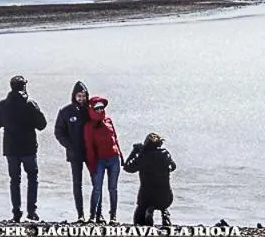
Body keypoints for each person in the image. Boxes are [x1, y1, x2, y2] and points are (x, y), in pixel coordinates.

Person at [0, 75, 47, 222]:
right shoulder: (30, 104)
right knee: (32, 178)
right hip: (28, 149)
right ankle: (31, 212)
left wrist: (7, 122)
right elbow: (42, 125)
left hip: (11, 149)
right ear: (24, 87)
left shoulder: (3, 105)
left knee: (14, 180)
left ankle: (16, 213)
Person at [53, 81, 90, 221]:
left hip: (90, 152)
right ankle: (80, 214)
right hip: (75, 153)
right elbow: (59, 132)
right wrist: (70, 146)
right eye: (79, 96)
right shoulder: (65, 112)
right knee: (77, 184)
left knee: (96, 183)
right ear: (74, 96)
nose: (81, 99)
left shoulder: (90, 110)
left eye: (83, 96)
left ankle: (96, 213)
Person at [123, 132, 177, 226]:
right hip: (166, 197)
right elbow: (173, 166)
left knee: (138, 221)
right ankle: (164, 213)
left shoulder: (143, 156)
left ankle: (149, 211)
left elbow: (127, 168)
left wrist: (135, 152)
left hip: (146, 198)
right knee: (161, 202)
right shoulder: (165, 154)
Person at [82, 96, 121, 224]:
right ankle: (93, 216)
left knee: (113, 189)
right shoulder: (89, 126)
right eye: (97, 108)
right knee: (97, 188)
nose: (100, 110)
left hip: (114, 159)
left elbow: (115, 139)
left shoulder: (108, 120)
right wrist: (91, 165)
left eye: (102, 108)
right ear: (92, 109)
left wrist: (122, 156)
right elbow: (89, 147)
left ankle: (113, 217)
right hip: (100, 160)